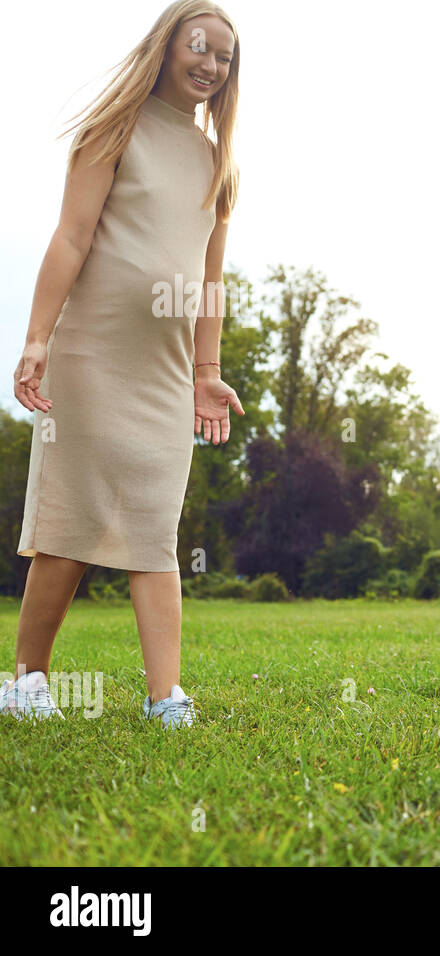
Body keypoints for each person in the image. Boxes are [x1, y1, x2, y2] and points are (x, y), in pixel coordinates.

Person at [5, 2, 245, 727]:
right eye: (199, 47)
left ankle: (163, 695)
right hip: (91, 353)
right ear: (167, 46)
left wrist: (208, 371)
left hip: (166, 371)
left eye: (225, 58)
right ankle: (24, 681)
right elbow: (72, 239)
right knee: (69, 526)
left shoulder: (216, 164)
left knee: (152, 526)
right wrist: (38, 337)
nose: (210, 65)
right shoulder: (114, 127)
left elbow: (209, 282)